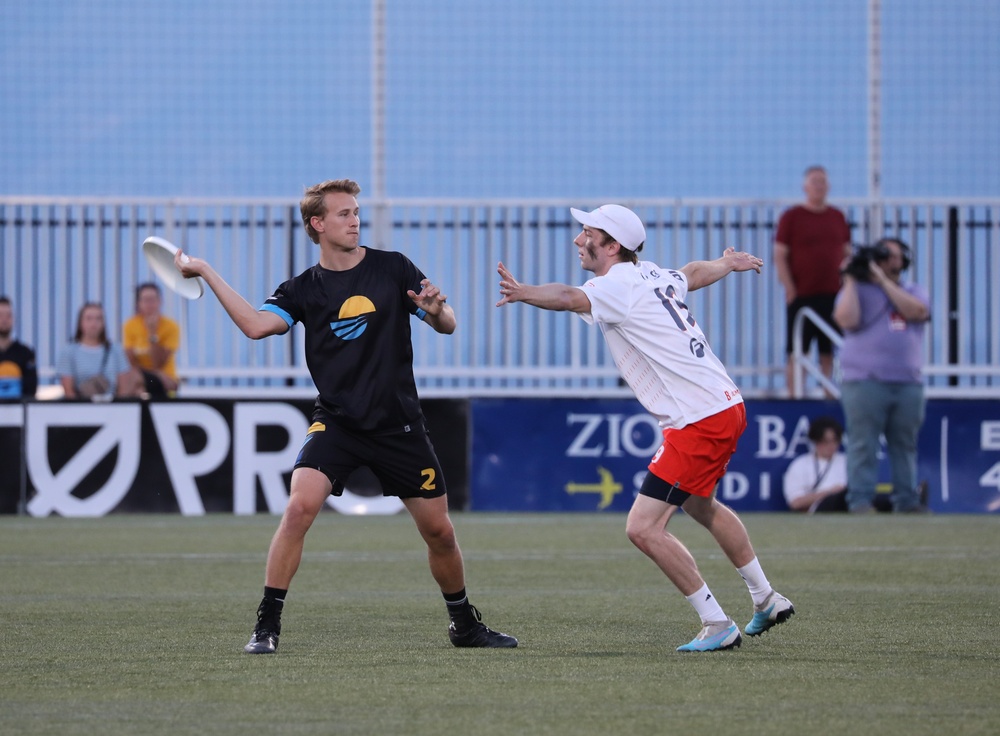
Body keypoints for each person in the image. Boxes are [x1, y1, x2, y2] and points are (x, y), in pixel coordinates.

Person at [174, 178, 516, 654]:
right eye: (343, 213)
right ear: (317, 224)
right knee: (298, 509)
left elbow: (449, 323)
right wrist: (207, 272)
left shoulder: (394, 268)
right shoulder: (302, 289)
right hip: (337, 422)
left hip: (399, 425)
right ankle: (266, 626)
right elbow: (255, 326)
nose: (355, 219)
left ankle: (464, 625)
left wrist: (437, 311)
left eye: (356, 212)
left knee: (439, 532)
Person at [496, 204, 793, 652]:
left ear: (612, 246)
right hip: (725, 404)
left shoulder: (615, 286)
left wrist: (523, 292)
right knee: (699, 504)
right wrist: (727, 264)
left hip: (699, 419)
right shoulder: (653, 275)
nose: (579, 240)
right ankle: (766, 598)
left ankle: (717, 623)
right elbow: (692, 272)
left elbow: (566, 298)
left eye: (588, 233)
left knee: (643, 527)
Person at [833, 237, 930, 513]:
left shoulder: (914, 290)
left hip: (907, 382)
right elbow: (846, 320)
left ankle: (907, 500)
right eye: (883, 255)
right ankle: (861, 501)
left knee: (905, 444)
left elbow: (917, 311)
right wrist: (851, 279)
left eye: (893, 255)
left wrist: (883, 281)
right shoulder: (858, 291)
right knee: (863, 443)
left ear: (904, 260)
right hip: (864, 381)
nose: (889, 261)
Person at [773, 166, 852, 395]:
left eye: (822, 181)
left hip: (833, 295)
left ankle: (829, 393)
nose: (819, 186)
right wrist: (789, 288)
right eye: (815, 181)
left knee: (829, 349)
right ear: (805, 187)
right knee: (798, 349)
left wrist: (847, 288)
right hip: (802, 294)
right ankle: (795, 395)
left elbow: (846, 253)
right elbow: (780, 254)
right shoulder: (792, 217)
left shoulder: (837, 216)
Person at [56, 302, 132, 400]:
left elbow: (124, 388)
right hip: (81, 408)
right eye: (89, 318)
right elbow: (68, 390)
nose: (94, 323)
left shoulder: (116, 350)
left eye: (98, 318)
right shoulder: (68, 351)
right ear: (80, 322)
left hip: (111, 408)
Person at [120, 282, 181, 398]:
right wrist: (155, 373)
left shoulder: (171, 326)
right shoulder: (130, 325)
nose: (150, 304)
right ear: (139, 304)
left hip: (166, 380)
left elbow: (159, 363)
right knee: (137, 386)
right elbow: (130, 362)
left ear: (160, 301)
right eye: (146, 300)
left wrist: (152, 334)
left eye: (153, 299)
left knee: (135, 383)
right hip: (143, 378)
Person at [782, 416, 848, 512]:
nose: (831, 446)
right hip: (820, 509)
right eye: (826, 441)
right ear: (816, 441)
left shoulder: (847, 462)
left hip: (846, 507)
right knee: (836, 498)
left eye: (835, 441)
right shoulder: (800, 464)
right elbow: (795, 502)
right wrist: (830, 493)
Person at [0, 296, 38, 400]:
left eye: (8, 316)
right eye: (1, 315)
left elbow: (31, 390)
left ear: (13, 319)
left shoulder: (26, 353)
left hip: (19, 412)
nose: (4, 320)